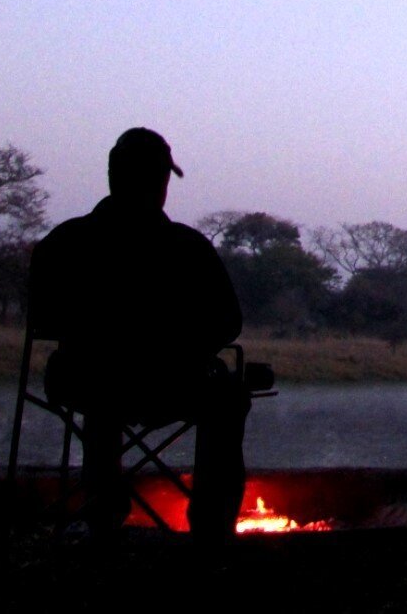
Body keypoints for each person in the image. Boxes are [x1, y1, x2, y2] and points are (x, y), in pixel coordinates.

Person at [29, 128, 249, 536]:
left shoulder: (65, 242)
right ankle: (211, 528)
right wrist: (183, 350)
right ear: (163, 184)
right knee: (227, 396)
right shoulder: (188, 247)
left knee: (102, 396)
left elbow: (40, 317)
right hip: (171, 385)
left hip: (81, 380)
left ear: (112, 175)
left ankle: (103, 512)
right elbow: (228, 322)